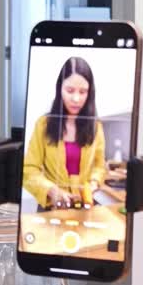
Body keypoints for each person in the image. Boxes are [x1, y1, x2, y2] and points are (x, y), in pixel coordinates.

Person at [23, 56, 107, 209]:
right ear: (60, 89)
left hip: (83, 206)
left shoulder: (96, 126)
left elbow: (99, 166)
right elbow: (29, 170)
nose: (76, 98)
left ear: (90, 93)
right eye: (70, 90)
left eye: (83, 92)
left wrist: (94, 183)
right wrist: (51, 190)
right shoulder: (43, 124)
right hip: (52, 207)